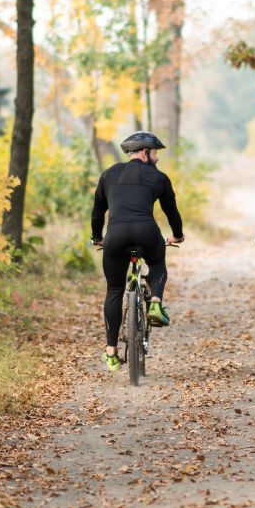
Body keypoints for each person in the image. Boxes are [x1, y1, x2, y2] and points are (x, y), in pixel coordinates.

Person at [91, 131, 184, 371]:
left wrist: (97, 238)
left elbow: (97, 211)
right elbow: (171, 210)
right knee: (157, 263)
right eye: (156, 153)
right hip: (147, 232)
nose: (157, 158)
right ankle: (155, 302)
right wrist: (177, 235)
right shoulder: (159, 177)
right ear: (145, 153)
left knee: (114, 290)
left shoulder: (109, 174)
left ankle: (111, 352)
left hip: (116, 235)